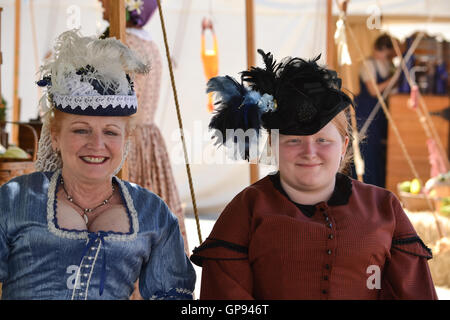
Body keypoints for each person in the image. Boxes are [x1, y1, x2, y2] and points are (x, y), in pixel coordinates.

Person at [190, 49, 437, 300]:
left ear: (343, 145)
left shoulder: (385, 208)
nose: (310, 152)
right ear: (274, 146)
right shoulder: (246, 210)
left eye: (322, 140)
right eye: (294, 140)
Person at [0, 30, 195, 300]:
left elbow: (174, 295)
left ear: (126, 139)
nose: (97, 144)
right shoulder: (14, 199)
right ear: (55, 136)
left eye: (111, 132)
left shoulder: (152, 213)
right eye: (81, 130)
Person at [98, 0, 189, 254]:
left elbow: (113, 101)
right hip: (148, 138)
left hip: (126, 138)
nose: (101, 3)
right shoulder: (149, 43)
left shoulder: (122, 43)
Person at [353, 34, 397, 188]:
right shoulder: (368, 64)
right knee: (366, 148)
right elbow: (373, 90)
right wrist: (393, 79)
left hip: (378, 112)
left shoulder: (387, 63)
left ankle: (377, 186)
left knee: (377, 150)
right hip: (365, 109)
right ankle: (363, 186)